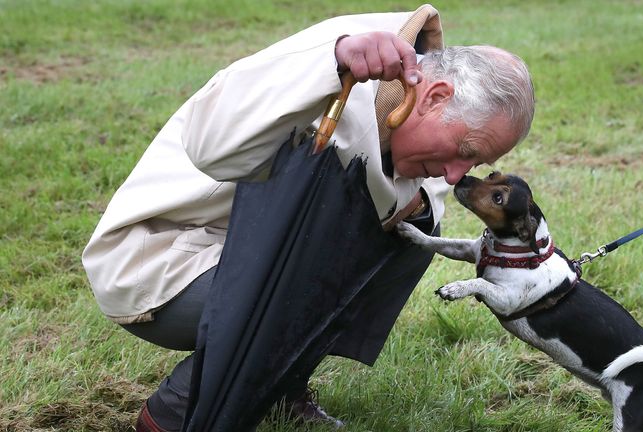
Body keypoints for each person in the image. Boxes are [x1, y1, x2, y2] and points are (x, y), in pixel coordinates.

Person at [81, 5, 534, 431]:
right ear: (435, 97)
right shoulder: (341, 57)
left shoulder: (412, 99)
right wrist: (332, 64)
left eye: (472, 165)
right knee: (319, 273)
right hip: (162, 257)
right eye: (464, 152)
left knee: (413, 236)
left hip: (250, 254)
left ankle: (277, 384)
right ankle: (174, 414)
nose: (457, 175)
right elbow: (209, 144)